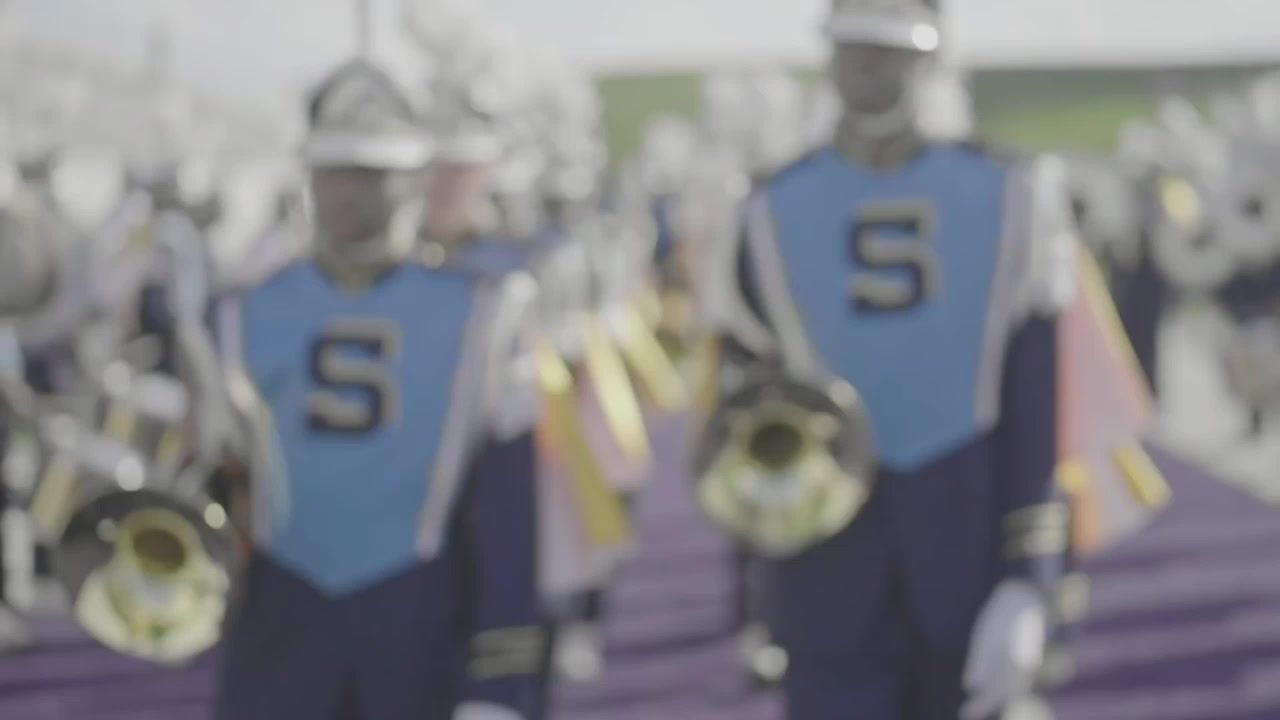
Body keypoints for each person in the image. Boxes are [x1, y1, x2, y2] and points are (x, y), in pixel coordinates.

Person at [698, 0, 1075, 717]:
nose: (867, 67)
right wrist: (753, 578)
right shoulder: (766, 206)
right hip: (822, 566)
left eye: (888, 50)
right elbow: (745, 402)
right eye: (852, 47)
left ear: (929, 58)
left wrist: (1032, 576)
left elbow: (1038, 401)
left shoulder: (1012, 192)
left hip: (971, 550)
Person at [212, 58, 543, 720]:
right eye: (332, 171)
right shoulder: (243, 307)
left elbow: (508, 501)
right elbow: (220, 473)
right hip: (280, 611)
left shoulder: (485, 309)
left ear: (416, 178)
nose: (347, 193)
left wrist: (500, 675)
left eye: (369, 173)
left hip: (419, 611)